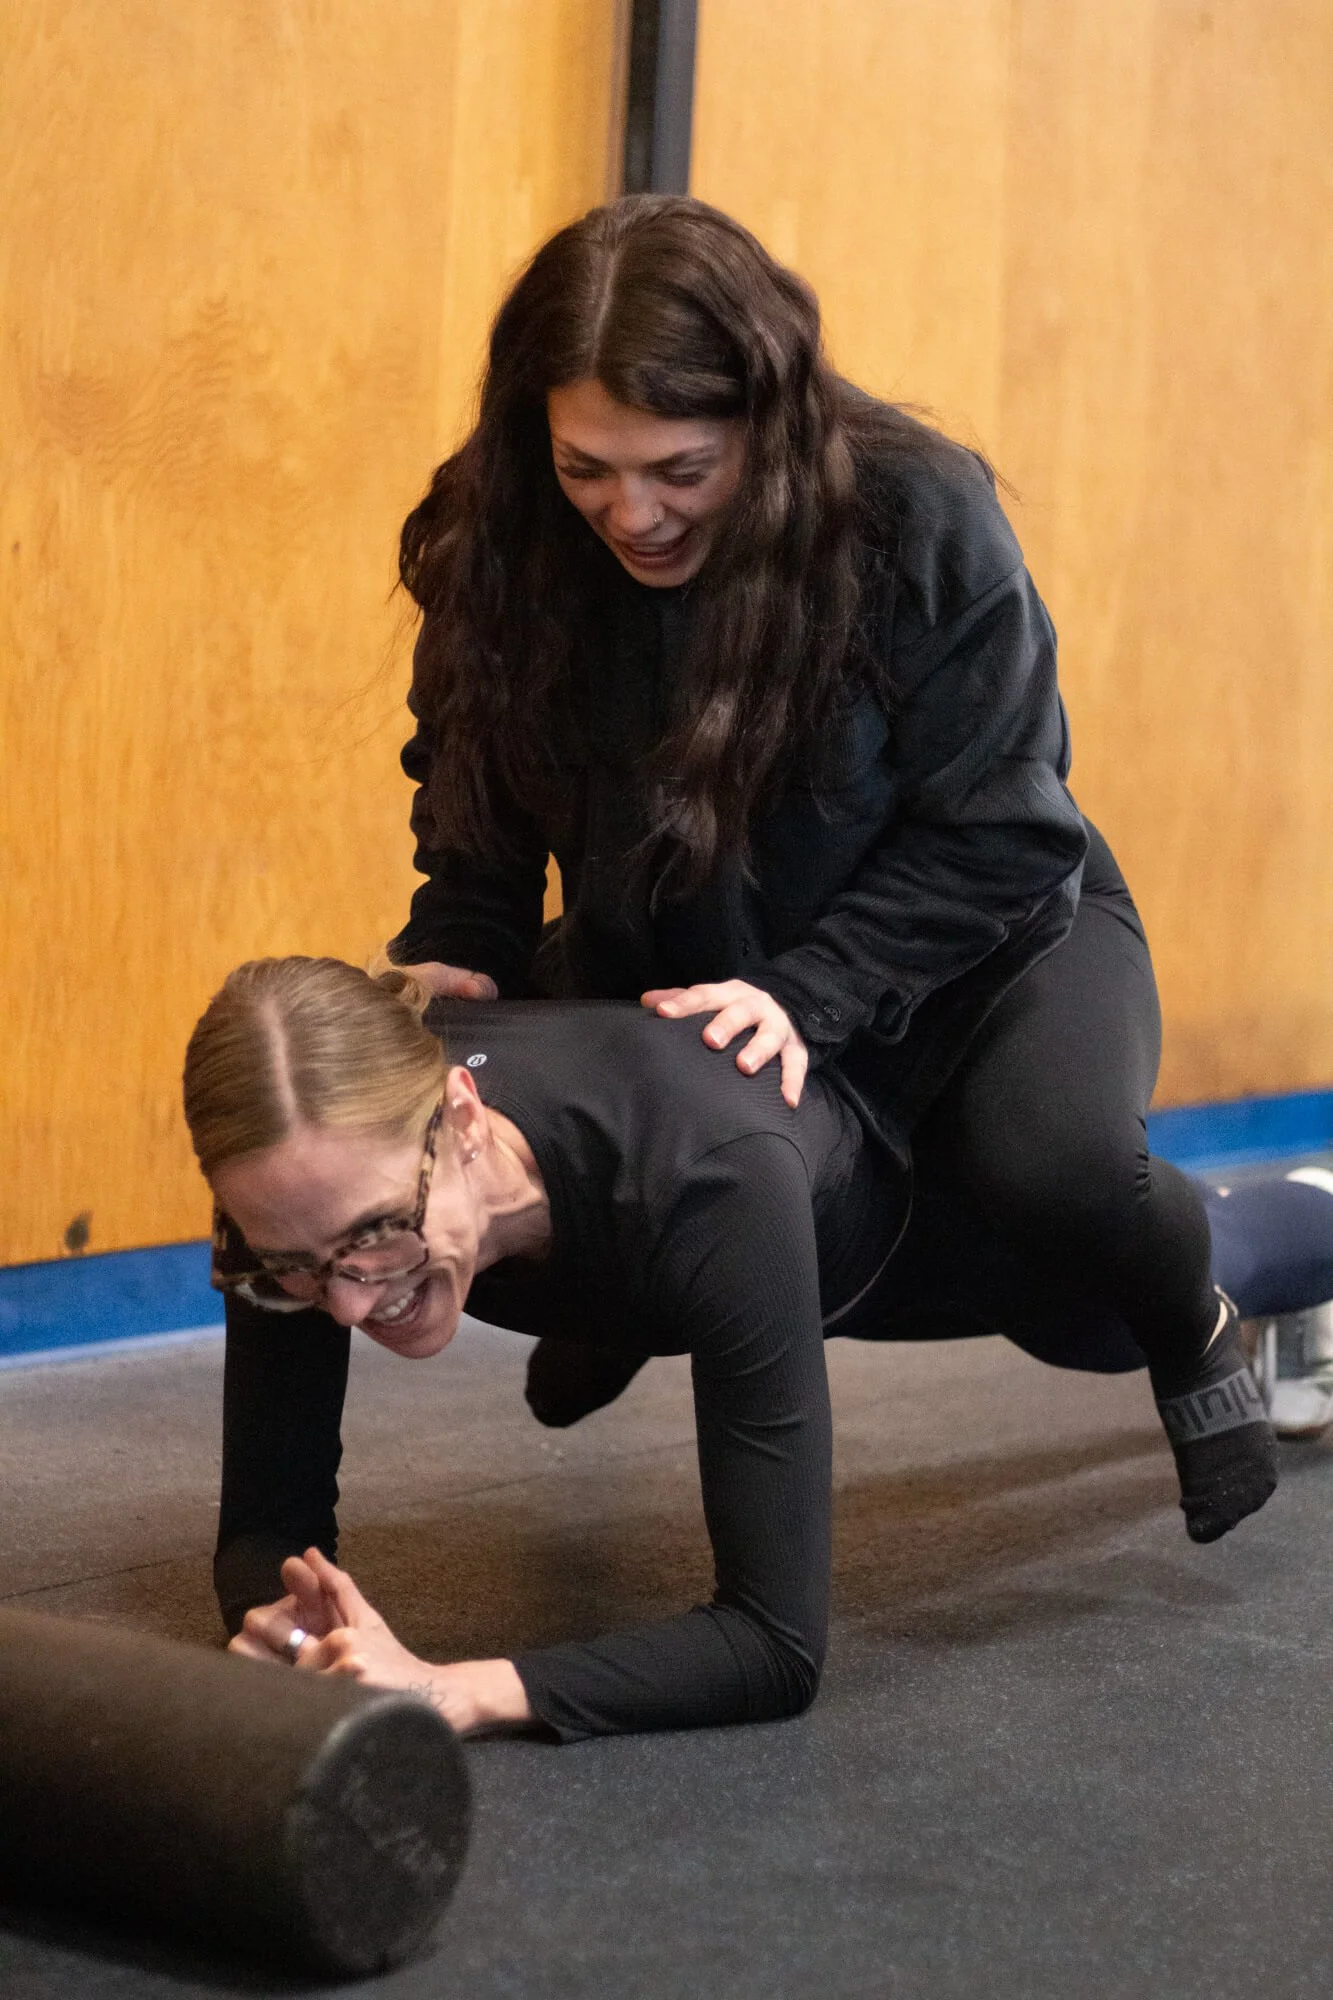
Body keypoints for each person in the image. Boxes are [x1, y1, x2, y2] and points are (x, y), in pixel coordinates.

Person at [384, 193, 1235, 1461]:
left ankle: (1205, 1315)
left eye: (682, 470)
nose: (631, 514)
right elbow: (480, 808)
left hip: (985, 945)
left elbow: (1001, 832)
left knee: (1053, 1207)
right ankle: (643, 1286)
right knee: (496, 1135)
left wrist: (810, 991)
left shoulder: (915, 514)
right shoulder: (500, 535)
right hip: (691, 955)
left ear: (767, 428)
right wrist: (462, 945)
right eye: (585, 471)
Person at [190, 957, 1281, 1743]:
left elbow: (772, 1642)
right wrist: (291, 1631)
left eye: (378, 1237)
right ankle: (620, 1313)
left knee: (1102, 1310)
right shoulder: (303, 1193)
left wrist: (448, 1689)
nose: (342, 1303)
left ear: (462, 1116)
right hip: (674, 1205)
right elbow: (263, 1528)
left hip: (891, 1190)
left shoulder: (707, 1177)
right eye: (298, 1263)